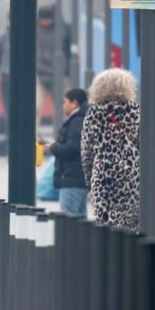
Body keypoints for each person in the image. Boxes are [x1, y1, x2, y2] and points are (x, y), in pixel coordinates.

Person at [80, 69, 141, 232]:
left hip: (103, 176)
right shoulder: (136, 112)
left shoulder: (94, 113)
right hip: (132, 175)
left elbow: (86, 151)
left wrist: (89, 181)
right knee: (130, 225)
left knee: (106, 226)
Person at [48, 88, 89, 216]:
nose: (63, 106)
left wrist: (53, 147)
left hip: (72, 178)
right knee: (80, 220)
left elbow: (72, 149)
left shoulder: (77, 121)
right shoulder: (83, 118)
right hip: (80, 179)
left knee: (68, 219)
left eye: (65, 102)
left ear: (74, 103)